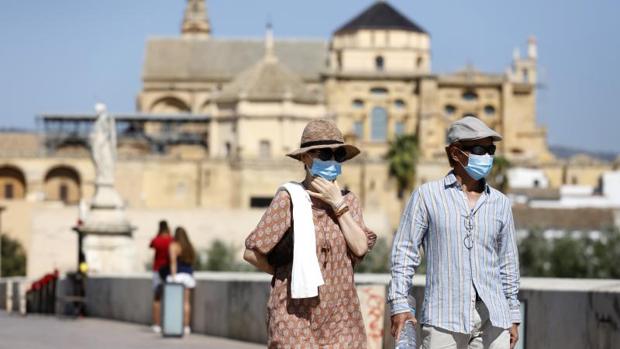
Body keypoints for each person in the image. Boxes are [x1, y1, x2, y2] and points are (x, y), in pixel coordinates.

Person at [388, 116, 521, 349]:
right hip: (443, 319)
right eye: (479, 149)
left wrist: (513, 314)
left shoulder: (501, 203)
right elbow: (404, 253)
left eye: (491, 149)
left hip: (494, 320)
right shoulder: (427, 196)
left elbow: (508, 262)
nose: (487, 156)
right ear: (455, 153)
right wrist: (400, 305)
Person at [243, 119, 377, 348]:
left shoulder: (349, 201)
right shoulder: (289, 198)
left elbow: (360, 247)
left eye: (339, 155)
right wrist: (290, 275)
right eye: (325, 155)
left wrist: (338, 204)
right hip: (294, 314)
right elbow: (252, 252)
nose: (333, 161)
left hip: (341, 316)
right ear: (306, 158)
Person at [162, 226, 196, 335]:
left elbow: (173, 262)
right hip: (188, 276)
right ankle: (186, 327)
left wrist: (173, 277)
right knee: (186, 303)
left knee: (174, 303)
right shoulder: (190, 246)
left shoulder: (174, 246)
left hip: (178, 276)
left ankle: (174, 325)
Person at [149, 220, 172, 333]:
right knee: (170, 298)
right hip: (168, 271)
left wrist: (157, 234)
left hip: (157, 270)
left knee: (157, 298)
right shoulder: (171, 240)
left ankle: (156, 324)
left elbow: (151, 244)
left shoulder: (157, 240)